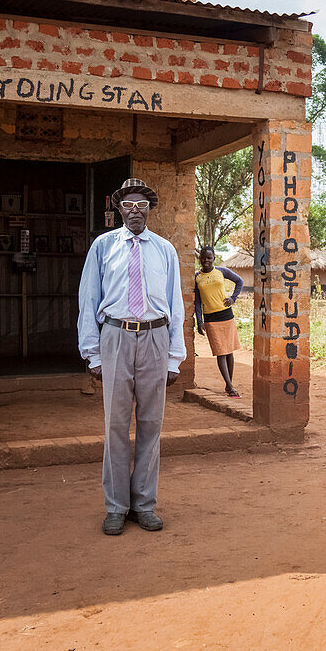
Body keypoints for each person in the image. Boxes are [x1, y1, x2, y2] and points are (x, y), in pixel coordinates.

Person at [77, 178, 185, 536]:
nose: (135, 211)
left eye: (142, 205)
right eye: (128, 205)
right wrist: (92, 354)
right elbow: (89, 299)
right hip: (115, 337)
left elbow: (176, 304)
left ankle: (144, 505)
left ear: (150, 210)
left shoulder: (165, 249)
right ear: (118, 209)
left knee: (152, 424)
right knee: (116, 425)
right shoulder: (103, 246)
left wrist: (174, 358)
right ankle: (116, 507)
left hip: (155, 337)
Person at [194, 246, 244, 398]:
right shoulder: (197, 278)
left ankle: (229, 385)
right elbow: (197, 302)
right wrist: (200, 321)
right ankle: (229, 386)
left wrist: (233, 298)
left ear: (214, 258)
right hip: (211, 319)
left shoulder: (222, 272)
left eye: (209, 257)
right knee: (220, 353)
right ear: (200, 259)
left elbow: (239, 281)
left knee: (229, 352)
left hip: (227, 316)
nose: (206, 260)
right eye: (203, 258)